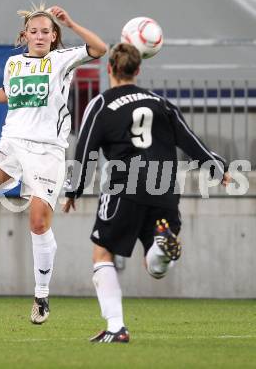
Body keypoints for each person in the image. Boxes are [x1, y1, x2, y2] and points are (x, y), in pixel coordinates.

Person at [63, 43, 230, 342]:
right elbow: (189, 139)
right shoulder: (161, 103)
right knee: (155, 268)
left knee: (102, 253)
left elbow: (85, 147)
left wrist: (74, 189)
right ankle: (161, 248)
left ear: (109, 68)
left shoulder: (101, 104)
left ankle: (116, 327)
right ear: (138, 70)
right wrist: (217, 167)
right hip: (164, 187)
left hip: (123, 187)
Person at [0, 4, 107, 325]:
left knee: (37, 223)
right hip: (12, 143)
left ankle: (41, 295)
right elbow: (9, 95)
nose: (39, 36)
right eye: (33, 31)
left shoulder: (61, 60)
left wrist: (72, 21)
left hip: (47, 150)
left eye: (45, 32)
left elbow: (100, 49)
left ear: (54, 37)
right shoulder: (13, 63)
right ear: (25, 35)